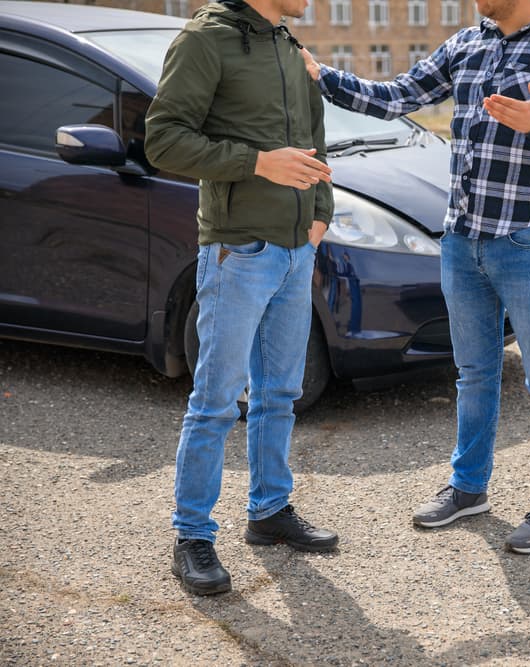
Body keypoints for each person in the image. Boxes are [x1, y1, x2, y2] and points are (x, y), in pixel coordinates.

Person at [301, 0, 530, 554]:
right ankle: (469, 489)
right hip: (462, 242)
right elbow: (398, 97)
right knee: (473, 373)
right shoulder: (466, 44)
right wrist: (325, 79)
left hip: (528, 242)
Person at [145, 0, 339, 596]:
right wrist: (257, 164)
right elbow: (164, 140)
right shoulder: (206, 40)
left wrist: (320, 216)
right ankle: (193, 536)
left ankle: (269, 511)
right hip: (238, 251)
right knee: (217, 399)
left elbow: (313, 140)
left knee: (280, 391)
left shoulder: (287, 43)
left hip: (294, 249)